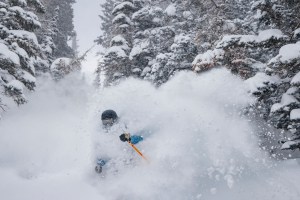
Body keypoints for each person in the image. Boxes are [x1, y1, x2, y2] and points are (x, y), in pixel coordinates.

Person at [95, 109, 143, 174]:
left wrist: (129, 138)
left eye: (109, 122)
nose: (107, 125)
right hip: (117, 165)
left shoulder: (123, 126)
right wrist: (99, 164)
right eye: (104, 122)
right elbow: (104, 153)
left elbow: (140, 138)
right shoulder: (101, 134)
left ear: (114, 120)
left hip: (131, 160)